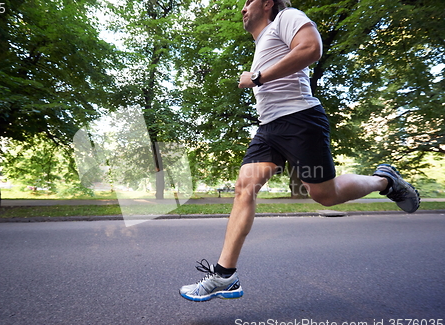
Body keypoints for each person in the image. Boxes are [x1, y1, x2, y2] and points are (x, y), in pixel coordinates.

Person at [179, 0, 420, 302]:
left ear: (267, 4)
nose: (242, 8)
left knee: (324, 195)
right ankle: (224, 275)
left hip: (299, 119)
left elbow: (310, 49)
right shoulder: (263, 43)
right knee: (244, 187)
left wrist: (256, 77)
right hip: (269, 128)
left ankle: (386, 180)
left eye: (248, 1)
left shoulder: (286, 18)